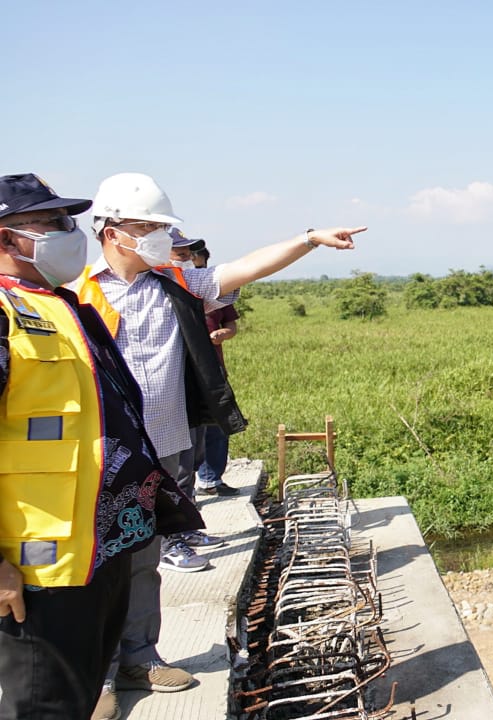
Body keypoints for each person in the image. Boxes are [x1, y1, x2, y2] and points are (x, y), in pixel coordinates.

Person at [71, 172, 364, 717]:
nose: (160, 236)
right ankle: (100, 675)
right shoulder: (77, 292)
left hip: (163, 445)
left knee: (143, 560)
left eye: (162, 227)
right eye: (147, 227)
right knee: (100, 564)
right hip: (102, 451)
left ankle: (139, 656)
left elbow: (243, 269)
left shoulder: (177, 279)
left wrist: (307, 238)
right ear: (111, 232)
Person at [0, 173, 203, 720]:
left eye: (68, 221)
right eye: (49, 224)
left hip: (99, 550)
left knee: (82, 695)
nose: (69, 233)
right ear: (5, 239)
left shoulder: (59, 305)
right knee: (48, 704)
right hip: (41, 568)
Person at [170, 231, 239, 497]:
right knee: (183, 445)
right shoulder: (157, 290)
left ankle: (209, 478)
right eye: (183, 255)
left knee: (211, 429)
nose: (190, 261)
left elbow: (230, 322)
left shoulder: (207, 290)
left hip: (210, 370)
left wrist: (224, 333)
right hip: (179, 378)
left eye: (193, 256)